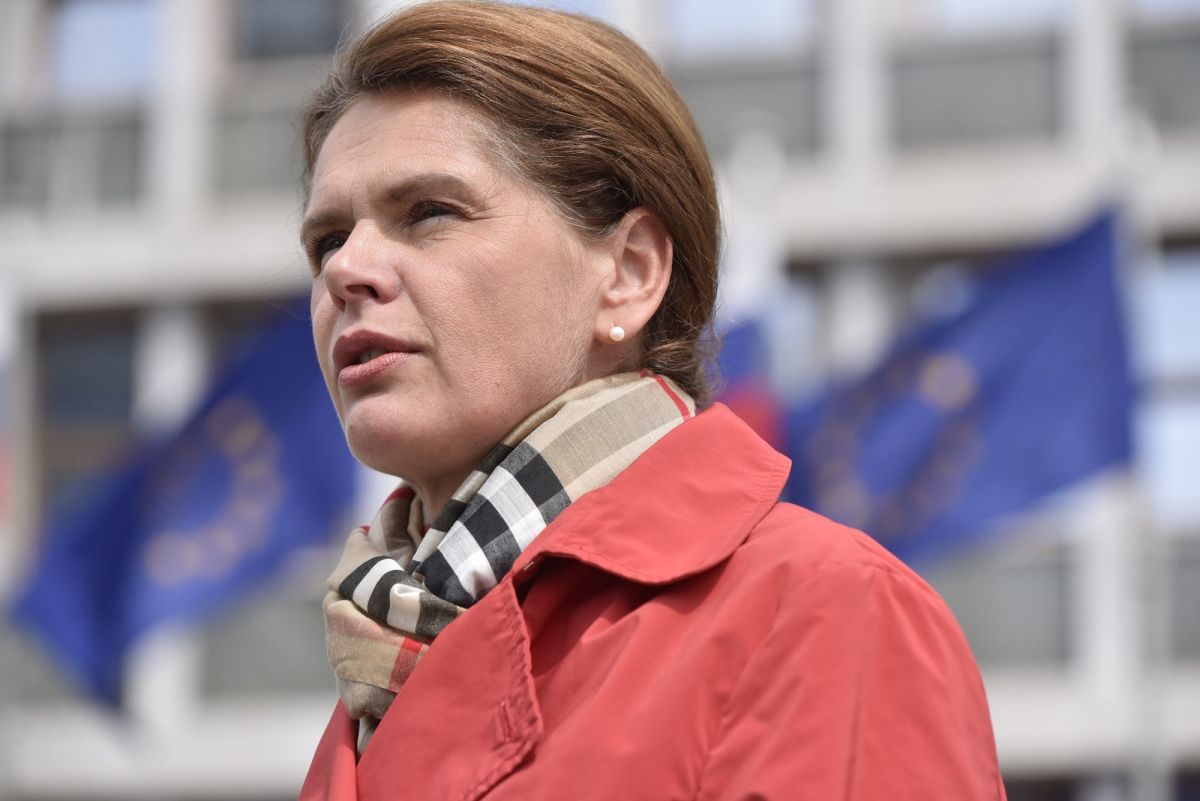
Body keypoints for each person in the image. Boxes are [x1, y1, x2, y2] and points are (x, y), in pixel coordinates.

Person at [298, 2, 1006, 799]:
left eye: (429, 212)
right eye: (328, 239)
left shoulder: (822, 610)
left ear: (629, 272)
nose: (346, 270)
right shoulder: (376, 673)